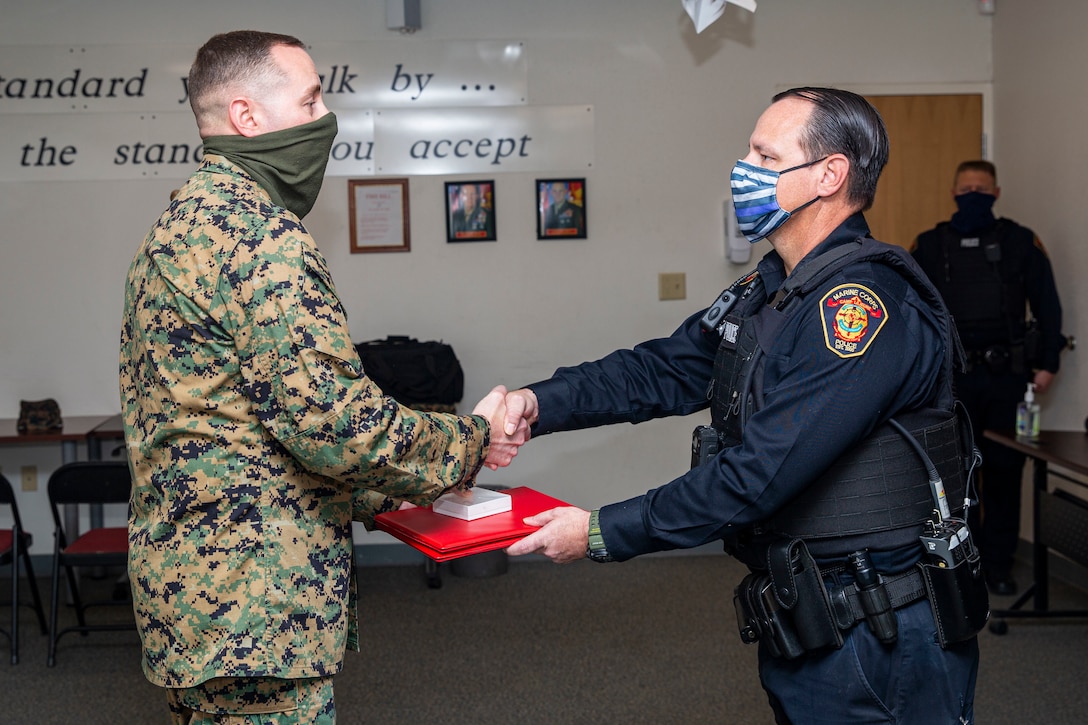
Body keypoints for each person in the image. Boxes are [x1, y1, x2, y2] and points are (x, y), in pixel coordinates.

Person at [496, 88, 984, 723]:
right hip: (812, 611)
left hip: (881, 630)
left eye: (763, 153)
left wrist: (599, 531)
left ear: (829, 175)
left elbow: (760, 473)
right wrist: (536, 403)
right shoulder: (773, 289)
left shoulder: (860, 308)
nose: (742, 167)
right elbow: (661, 369)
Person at [119, 30, 526, 723]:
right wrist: (471, 439)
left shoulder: (177, 227)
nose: (324, 120)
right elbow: (338, 427)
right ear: (248, 118)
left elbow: (241, 431)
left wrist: (386, 493)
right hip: (253, 613)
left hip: (194, 604)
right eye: (310, 101)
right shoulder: (261, 239)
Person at [911, 160, 1064, 596]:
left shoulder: (1020, 242)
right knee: (953, 479)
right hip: (950, 384)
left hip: (1008, 381)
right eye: (966, 187)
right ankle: (962, 564)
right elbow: (912, 312)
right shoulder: (929, 245)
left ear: (996, 192)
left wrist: (1048, 362)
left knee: (1004, 473)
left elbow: (1048, 307)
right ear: (953, 192)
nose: (974, 193)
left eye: (981, 187)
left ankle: (998, 564)